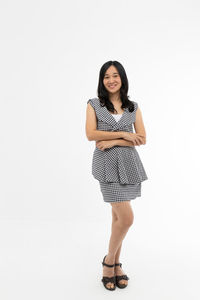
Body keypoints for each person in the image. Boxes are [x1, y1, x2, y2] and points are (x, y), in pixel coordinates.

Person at [85, 60, 148, 291]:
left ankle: (116, 264)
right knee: (127, 218)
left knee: (118, 219)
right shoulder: (94, 104)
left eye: (115, 75)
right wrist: (125, 134)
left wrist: (114, 140)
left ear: (122, 78)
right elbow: (90, 134)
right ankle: (108, 262)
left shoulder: (133, 107)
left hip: (129, 165)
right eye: (106, 76)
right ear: (102, 81)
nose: (111, 80)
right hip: (107, 166)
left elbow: (141, 137)